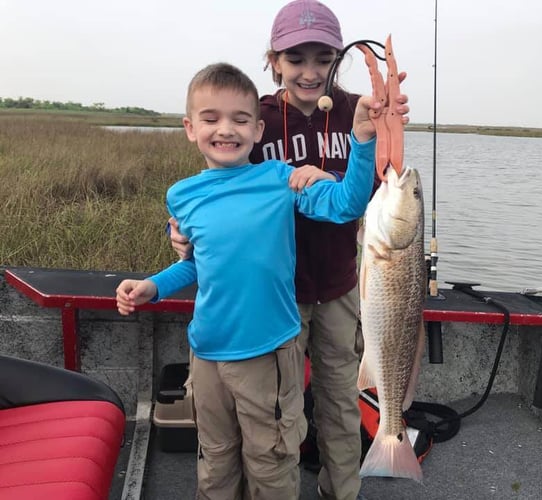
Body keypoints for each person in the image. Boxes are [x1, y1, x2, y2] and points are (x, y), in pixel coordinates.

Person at [168, 2, 410, 499]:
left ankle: (341, 489)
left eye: (322, 58)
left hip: (343, 283)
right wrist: (177, 231)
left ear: (335, 61)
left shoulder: (355, 110)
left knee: (341, 398)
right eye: (295, 59)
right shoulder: (254, 117)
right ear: (273, 60)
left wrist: (381, 131)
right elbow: (219, 190)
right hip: (279, 294)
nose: (309, 71)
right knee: (283, 405)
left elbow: (381, 192)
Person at [116, 61, 383, 500]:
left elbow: (346, 204)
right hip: (206, 355)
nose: (226, 130)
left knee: (271, 460)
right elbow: (202, 263)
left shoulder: (280, 179)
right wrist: (154, 285)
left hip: (268, 353)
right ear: (189, 127)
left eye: (240, 120)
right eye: (211, 119)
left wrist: (362, 140)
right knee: (215, 457)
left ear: (258, 131)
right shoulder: (182, 194)